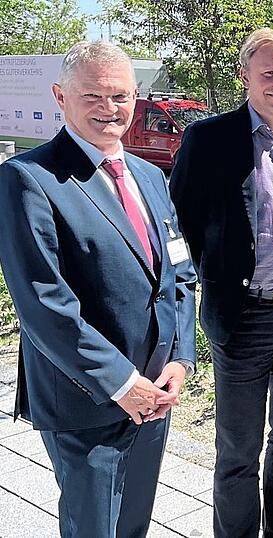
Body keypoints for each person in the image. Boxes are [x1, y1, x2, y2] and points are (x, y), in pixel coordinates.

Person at [0, 41, 197, 537]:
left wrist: (180, 359)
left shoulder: (152, 178)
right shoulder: (28, 179)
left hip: (155, 394)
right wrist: (121, 382)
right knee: (93, 527)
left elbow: (179, 275)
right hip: (86, 397)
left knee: (133, 524)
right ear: (59, 96)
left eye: (122, 96)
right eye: (93, 95)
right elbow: (44, 301)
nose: (110, 110)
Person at [168, 28, 273, 538]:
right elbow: (180, 223)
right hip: (245, 319)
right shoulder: (210, 138)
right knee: (239, 451)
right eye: (269, 73)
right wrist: (212, 280)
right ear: (245, 76)